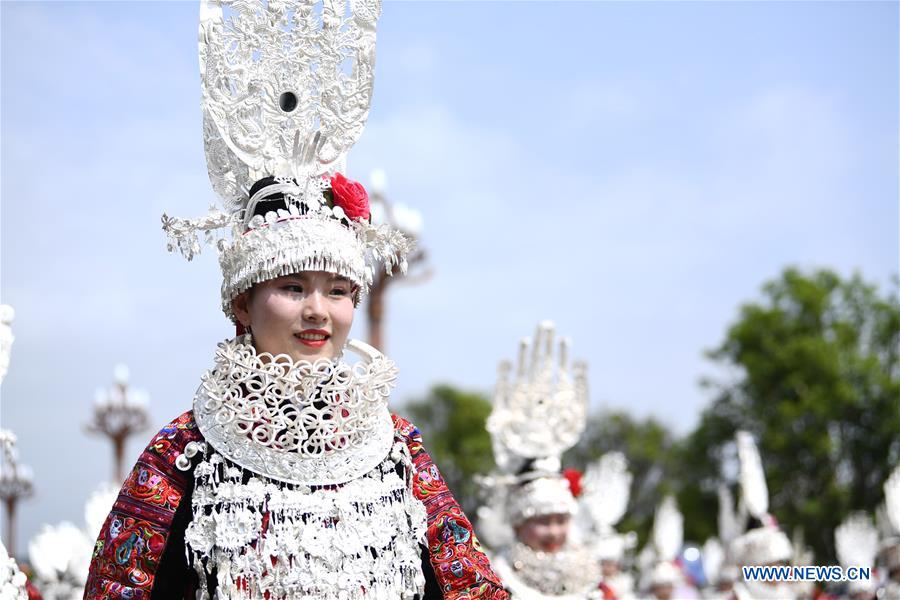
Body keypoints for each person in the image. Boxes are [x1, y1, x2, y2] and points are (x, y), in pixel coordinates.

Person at [83, 1, 506, 598]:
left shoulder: (398, 449)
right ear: (240, 304)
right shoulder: (184, 454)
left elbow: (472, 587)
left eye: (338, 291)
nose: (318, 311)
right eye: (291, 287)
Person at [478, 322, 600, 599]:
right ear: (518, 523)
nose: (554, 531)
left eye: (560, 520)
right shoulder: (496, 578)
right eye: (543, 521)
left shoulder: (593, 581)